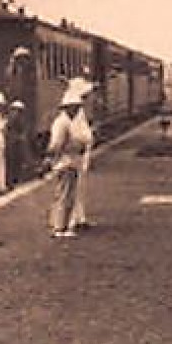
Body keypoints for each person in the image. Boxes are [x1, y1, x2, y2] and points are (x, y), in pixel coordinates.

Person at [46, 80, 94, 238]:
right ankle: (59, 227)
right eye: (74, 107)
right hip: (65, 162)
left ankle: (63, 225)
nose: (77, 110)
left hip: (71, 162)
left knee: (68, 195)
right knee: (64, 195)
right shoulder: (62, 123)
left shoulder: (68, 121)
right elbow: (56, 145)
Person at [67, 76, 97, 230]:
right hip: (74, 156)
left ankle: (80, 217)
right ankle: (72, 220)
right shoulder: (73, 114)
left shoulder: (79, 113)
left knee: (79, 189)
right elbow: (75, 136)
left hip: (80, 156)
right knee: (73, 188)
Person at [5, 99, 31, 189]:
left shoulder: (16, 118)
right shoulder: (11, 118)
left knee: (16, 161)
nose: (16, 112)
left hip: (15, 141)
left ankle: (14, 179)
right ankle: (10, 181)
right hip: (12, 142)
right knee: (11, 162)